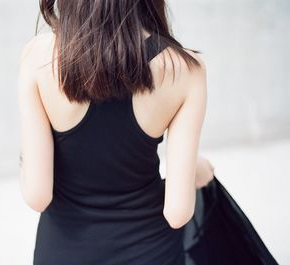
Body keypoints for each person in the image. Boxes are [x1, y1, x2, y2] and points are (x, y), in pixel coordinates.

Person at [18, 1, 215, 264]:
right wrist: (195, 170)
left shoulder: (38, 56)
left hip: (63, 253)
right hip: (151, 253)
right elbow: (178, 213)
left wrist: (25, 162)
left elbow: (37, 195)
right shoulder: (185, 69)